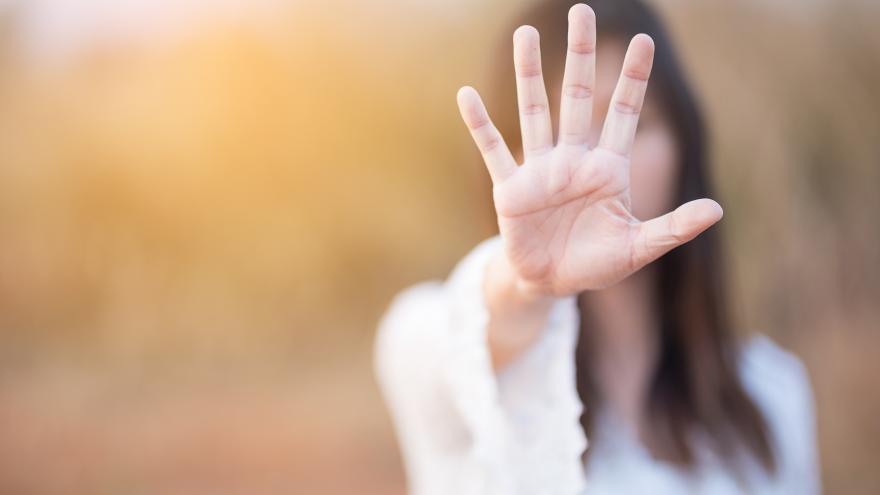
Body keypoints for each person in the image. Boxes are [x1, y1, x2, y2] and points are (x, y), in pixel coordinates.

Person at [373, 1, 820, 493]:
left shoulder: (773, 393)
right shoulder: (427, 349)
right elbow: (463, 336)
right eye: (554, 132)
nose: (587, 165)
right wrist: (526, 282)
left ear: (683, 150)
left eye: (632, 124)